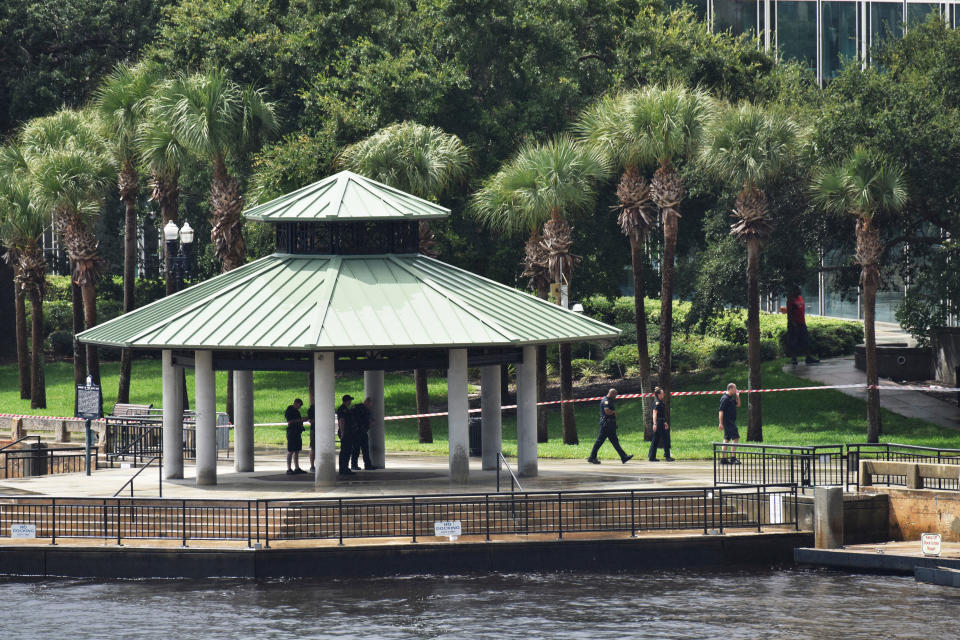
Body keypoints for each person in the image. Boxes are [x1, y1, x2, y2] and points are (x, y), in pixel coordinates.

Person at [586, 388, 633, 464]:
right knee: (599, 441)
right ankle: (592, 457)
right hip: (606, 425)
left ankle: (624, 457)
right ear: (612, 394)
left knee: (615, 441)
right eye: (615, 395)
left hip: (610, 424)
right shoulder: (606, 400)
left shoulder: (610, 400)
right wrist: (613, 412)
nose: (616, 397)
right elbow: (607, 411)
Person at [780, 285, 819, 366]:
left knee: (805, 340)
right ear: (794, 291)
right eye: (798, 290)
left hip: (802, 322)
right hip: (794, 324)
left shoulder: (800, 298)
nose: (800, 291)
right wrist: (794, 324)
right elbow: (790, 314)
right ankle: (794, 359)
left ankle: (808, 357)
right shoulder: (790, 300)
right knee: (794, 341)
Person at [648, 387, 675, 462]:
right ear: (658, 394)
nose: (663, 394)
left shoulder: (661, 402)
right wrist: (655, 424)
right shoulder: (657, 402)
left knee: (665, 439)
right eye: (662, 393)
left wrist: (665, 422)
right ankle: (652, 457)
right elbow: (654, 414)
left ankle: (666, 456)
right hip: (658, 423)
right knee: (656, 440)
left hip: (662, 422)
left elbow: (662, 414)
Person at [717, 383, 741, 465]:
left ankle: (723, 459)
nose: (736, 389)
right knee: (736, 437)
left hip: (731, 421)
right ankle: (733, 458)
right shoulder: (725, 398)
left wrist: (738, 396)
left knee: (726, 439)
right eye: (735, 388)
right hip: (728, 422)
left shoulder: (731, 398)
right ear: (730, 389)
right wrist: (720, 423)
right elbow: (720, 411)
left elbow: (738, 405)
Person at [351, 397, 376, 470]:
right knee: (356, 449)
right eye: (369, 404)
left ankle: (367, 465)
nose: (370, 406)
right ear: (366, 402)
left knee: (365, 449)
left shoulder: (366, 409)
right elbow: (357, 420)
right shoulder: (358, 408)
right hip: (357, 432)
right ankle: (354, 465)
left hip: (363, 432)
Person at [285, 398, 307, 475]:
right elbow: (290, 421)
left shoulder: (296, 411)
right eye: (299, 405)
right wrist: (301, 420)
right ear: (296, 403)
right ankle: (289, 469)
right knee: (291, 451)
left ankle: (297, 468)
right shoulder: (289, 410)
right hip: (292, 432)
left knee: (297, 450)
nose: (300, 407)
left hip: (297, 432)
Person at [336, 394, 356, 476]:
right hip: (346, 433)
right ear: (346, 401)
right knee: (345, 451)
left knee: (347, 451)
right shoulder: (342, 410)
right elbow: (341, 421)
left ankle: (345, 468)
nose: (350, 402)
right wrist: (343, 432)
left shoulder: (346, 409)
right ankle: (343, 469)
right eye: (349, 400)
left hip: (348, 432)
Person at [306, 403, 316, 473]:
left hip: (321, 430)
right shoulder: (312, 409)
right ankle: (312, 466)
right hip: (314, 430)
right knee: (313, 448)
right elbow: (310, 420)